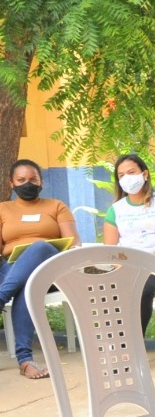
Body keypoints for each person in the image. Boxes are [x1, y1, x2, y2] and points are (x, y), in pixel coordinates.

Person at [0, 159, 80, 379]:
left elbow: (72, 243)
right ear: (11, 183)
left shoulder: (56, 206)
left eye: (33, 179)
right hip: (12, 269)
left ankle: (1, 297)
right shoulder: (3, 209)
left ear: (41, 182)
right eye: (21, 180)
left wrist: (39, 250)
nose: (28, 183)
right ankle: (25, 361)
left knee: (40, 247)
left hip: (50, 269)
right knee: (26, 284)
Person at [102, 153, 155, 333]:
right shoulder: (115, 210)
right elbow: (110, 249)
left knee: (141, 287)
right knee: (107, 289)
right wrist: (122, 267)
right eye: (121, 175)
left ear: (144, 174)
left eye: (131, 172)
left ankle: (133, 345)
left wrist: (147, 264)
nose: (127, 178)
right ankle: (114, 342)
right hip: (126, 268)